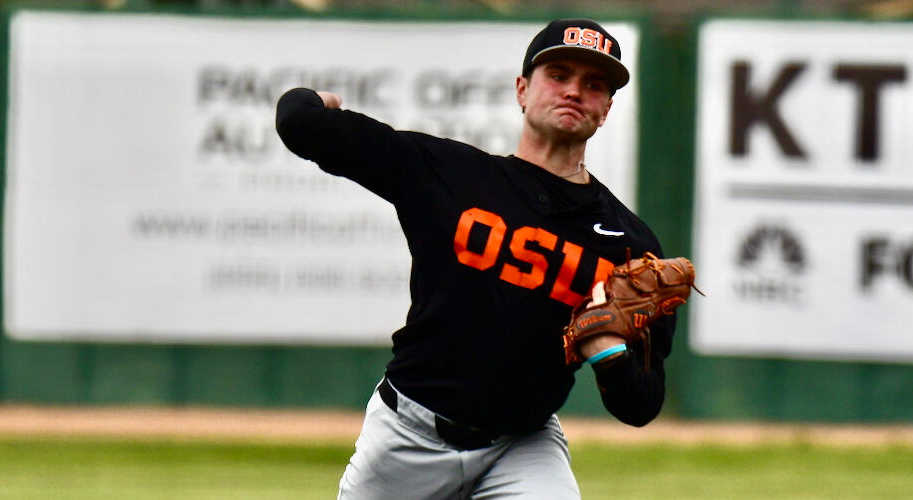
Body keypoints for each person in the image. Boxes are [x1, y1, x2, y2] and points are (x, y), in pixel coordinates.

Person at [276, 18, 675, 500]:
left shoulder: (629, 245)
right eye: (559, 75)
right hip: (408, 437)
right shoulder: (449, 175)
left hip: (523, 446)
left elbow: (642, 405)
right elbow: (298, 121)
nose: (574, 91)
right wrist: (322, 107)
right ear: (523, 90)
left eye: (593, 85)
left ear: (606, 110)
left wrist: (610, 354)